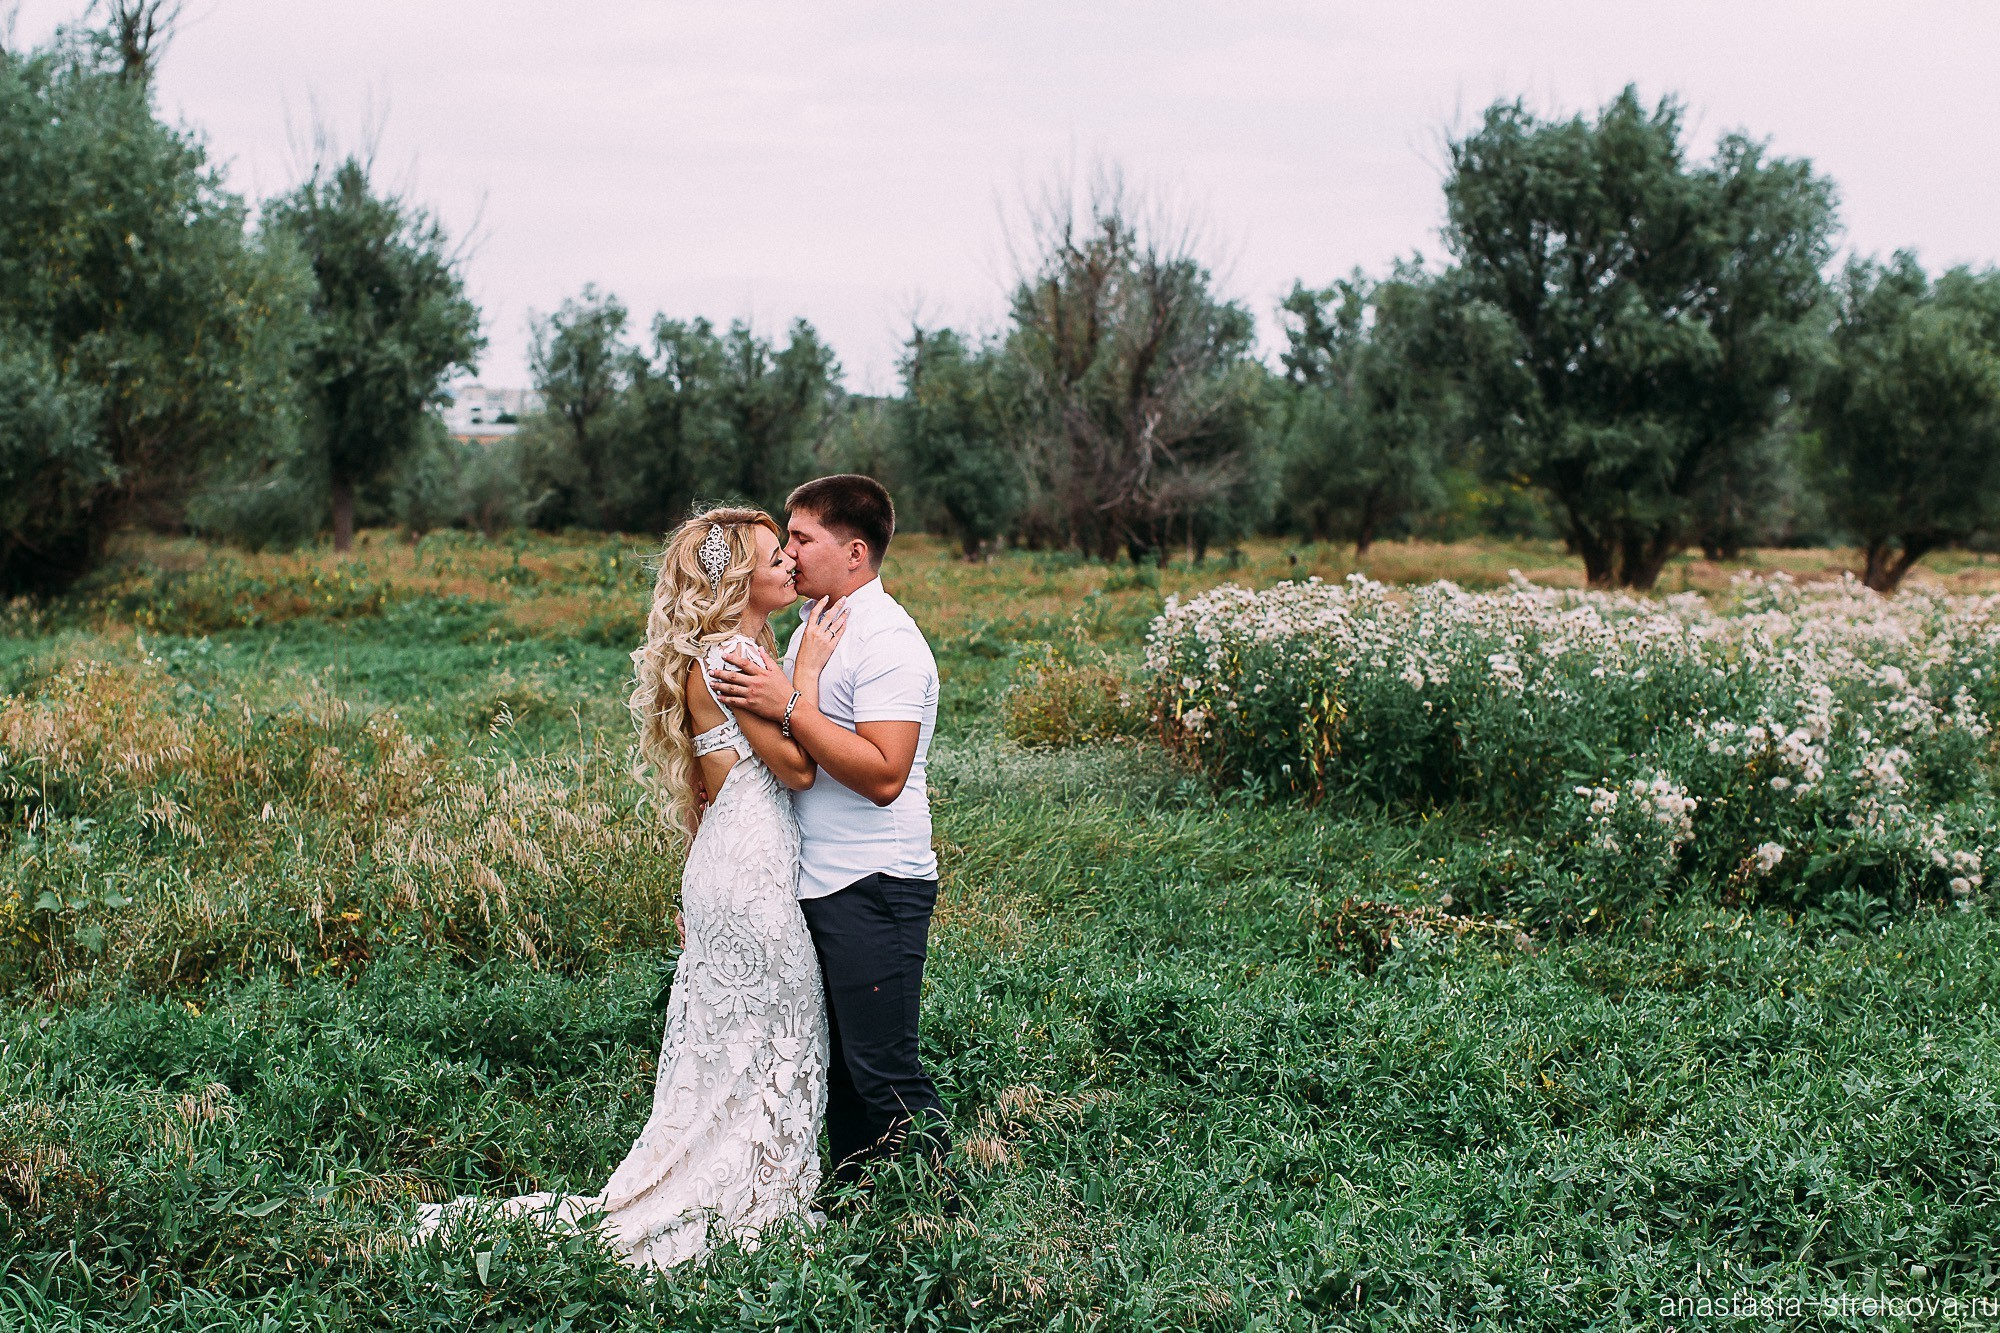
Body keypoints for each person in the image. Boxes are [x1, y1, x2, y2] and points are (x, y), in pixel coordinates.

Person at [415, 506, 849, 1269]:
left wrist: (692, 887)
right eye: (773, 555)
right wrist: (807, 673)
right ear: (738, 579)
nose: (789, 563)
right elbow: (798, 768)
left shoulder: (736, 650)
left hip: (733, 863)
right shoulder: (734, 657)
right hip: (747, 876)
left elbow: (704, 792)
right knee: (772, 1029)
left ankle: (751, 1181)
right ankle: (745, 1193)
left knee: (747, 1039)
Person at [708, 475, 951, 1192]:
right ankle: (858, 1206)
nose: (788, 553)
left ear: (853, 552)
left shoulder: (888, 641)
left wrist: (788, 702)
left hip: (875, 881)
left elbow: (885, 774)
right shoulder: (814, 627)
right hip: (818, 880)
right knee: (839, 1065)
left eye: (801, 538)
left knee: (882, 1067)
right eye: (785, 538)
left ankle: (942, 1212)